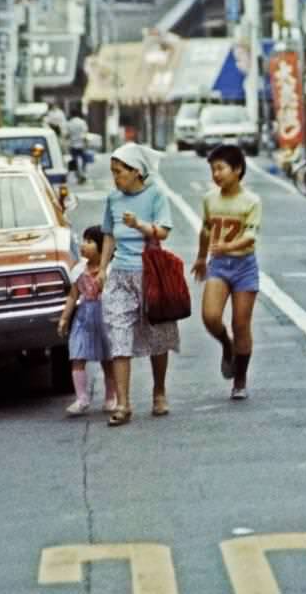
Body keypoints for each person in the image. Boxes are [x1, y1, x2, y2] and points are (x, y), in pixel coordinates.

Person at [97, 143, 178, 426]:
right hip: (121, 275)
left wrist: (140, 225)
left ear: (136, 172)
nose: (115, 178)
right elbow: (108, 235)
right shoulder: (113, 199)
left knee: (157, 334)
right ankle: (123, 402)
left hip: (150, 274)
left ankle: (159, 391)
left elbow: (163, 232)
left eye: (119, 172)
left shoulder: (156, 195)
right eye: (113, 172)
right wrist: (102, 269)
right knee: (118, 333)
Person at [192, 144, 262, 401]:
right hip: (218, 265)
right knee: (210, 316)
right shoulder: (210, 199)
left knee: (241, 324)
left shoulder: (252, 201)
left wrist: (228, 246)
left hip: (244, 265)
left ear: (238, 169)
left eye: (221, 168)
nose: (216, 174)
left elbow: (251, 235)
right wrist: (201, 257)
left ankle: (240, 379)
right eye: (213, 169)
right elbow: (206, 230)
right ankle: (226, 345)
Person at [56, 225, 118, 416]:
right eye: (84, 240)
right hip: (84, 317)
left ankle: (111, 396)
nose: (84, 245)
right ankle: (82, 398)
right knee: (77, 355)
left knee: (107, 358)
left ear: (102, 247)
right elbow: (73, 296)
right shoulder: (78, 270)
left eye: (90, 242)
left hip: (105, 316)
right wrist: (64, 318)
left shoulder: (110, 270)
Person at [66, 105, 89, 181]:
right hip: (81, 144)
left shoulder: (69, 123)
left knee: (74, 160)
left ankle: (77, 174)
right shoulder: (82, 122)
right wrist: (86, 143)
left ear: (72, 115)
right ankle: (83, 172)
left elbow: (67, 134)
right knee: (84, 159)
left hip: (73, 144)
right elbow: (85, 133)